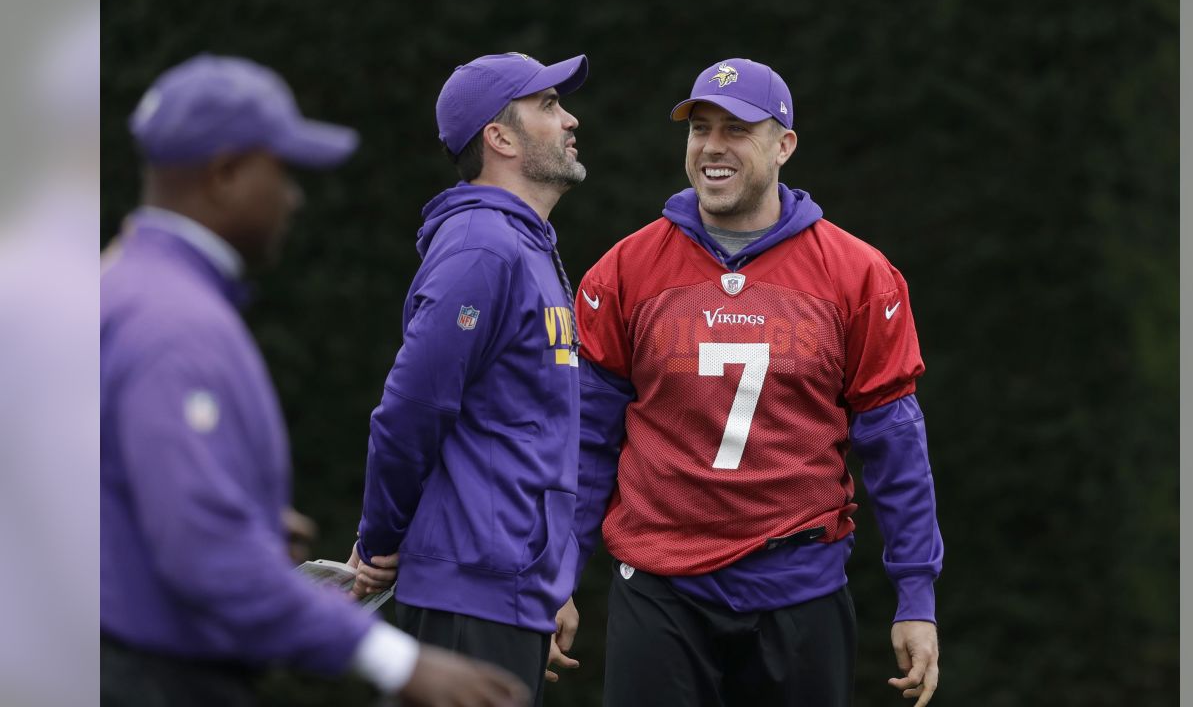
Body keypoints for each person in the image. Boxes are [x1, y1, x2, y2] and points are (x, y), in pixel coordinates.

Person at [100, 54, 529, 707]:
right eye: (284, 172)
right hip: (153, 679)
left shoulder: (117, 286)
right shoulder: (177, 324)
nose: (294, 199)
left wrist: (246, 513)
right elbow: (203, 551)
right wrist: (400, 663)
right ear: (225, 174)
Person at [572, 58, 945, 707]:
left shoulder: (858, 275)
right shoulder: (624, 271)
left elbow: (895, 445)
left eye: (737, 128)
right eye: (700, 128)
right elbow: (584, 441)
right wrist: (557, 576)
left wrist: (917, 595)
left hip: (798, 588)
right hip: (661, 588)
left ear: (785, 145)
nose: (713, 145)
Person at [348, 52, 588, 706]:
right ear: (499, 137)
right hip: (470, 590)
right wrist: (380, 541)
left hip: (506, 588)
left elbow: (531, 429)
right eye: (547, 105)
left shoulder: (523, 245)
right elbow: (411, 408)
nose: (570, 119)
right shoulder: (483, 248)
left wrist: (550, 578)